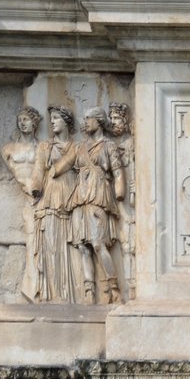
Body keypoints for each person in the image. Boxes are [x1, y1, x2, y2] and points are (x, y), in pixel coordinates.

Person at [62, 107, 126, 303]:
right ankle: (90, 291)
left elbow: (117, 171)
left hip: (99, 195)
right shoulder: (80, 147)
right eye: (85, 118)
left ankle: (113, 286)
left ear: (99, 121)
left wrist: (120, 192)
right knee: (83, 246)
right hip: (80, 196)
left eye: (89, 118)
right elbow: (66, 165)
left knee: (98, 244)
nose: (85, 122)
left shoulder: (108, 146)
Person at [30, 107, 77, 303]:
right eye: (51, 119)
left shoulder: (77, 147)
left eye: (57, 118)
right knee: (50, 246)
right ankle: (52, 293)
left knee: (73, 247)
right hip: (50, 199)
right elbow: (38, 170)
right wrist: (35, 189)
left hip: (72, 198)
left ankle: (71, 294)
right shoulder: (45, 146)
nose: (53, 122)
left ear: (66, 121)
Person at [3, 107, 42, 301]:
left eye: (26, 119)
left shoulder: (41, 147)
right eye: (20, 119)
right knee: (31, 237)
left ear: (35, 123)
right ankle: (30, 285)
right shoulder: (8, 149)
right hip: (24, 197)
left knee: (36, 240)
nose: (22, 123)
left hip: (38, 197)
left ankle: (35, 284)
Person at [108, 102, 136, 299]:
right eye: (111, 119)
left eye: (117, 118)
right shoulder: (109, 145)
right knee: (121, 241)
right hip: (110, 198)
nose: (113, 123)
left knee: (129, 243)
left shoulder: (132, 144)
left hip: (129, 199)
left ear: (125, 121)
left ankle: (132, 286)